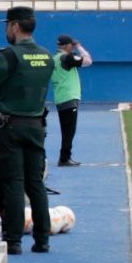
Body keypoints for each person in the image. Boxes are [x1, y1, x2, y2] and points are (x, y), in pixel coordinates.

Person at [0, 6, 56, 255]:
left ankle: (13, 240)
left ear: (14, 26)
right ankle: (42, 239)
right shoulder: (46, 56)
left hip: (10, 126)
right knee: (35, 183)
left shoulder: (8, 55)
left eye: (7, 25)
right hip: (36, 125)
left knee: (13, 183)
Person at [53, 34, 92, 167]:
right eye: (71, 44)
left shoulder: (55, 58)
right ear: (66, 46)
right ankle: (64, 158)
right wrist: (80, 47)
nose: (72, 46)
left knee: (66, 130)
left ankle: (64, 157)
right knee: (69, 130)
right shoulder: (67, 57)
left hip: (60, 97)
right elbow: (88, 61)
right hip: (69, 97)